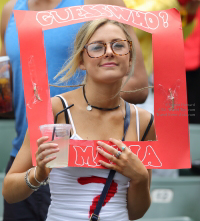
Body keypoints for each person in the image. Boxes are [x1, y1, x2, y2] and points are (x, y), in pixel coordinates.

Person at [0, 1, 149, 220]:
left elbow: (138, 80)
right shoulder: (9, 10)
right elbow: (7, 79)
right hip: (33, 151)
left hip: (85, 150)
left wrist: (86, 104)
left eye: (117, 46)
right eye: (97, 47)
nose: (108, 52)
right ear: (80, 59)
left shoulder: (102, 3)